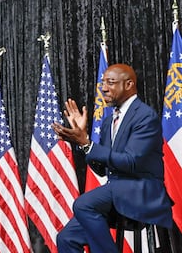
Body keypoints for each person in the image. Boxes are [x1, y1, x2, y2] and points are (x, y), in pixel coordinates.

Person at [52, 63, 172, 253]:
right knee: (66, 238)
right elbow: (102, 168)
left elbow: (131, 162)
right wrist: (85, 141)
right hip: (116, 191)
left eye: (111, 82)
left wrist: (88, 145)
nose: (104, 88)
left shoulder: (145, 116)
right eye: (103, 83)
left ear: (129, 84)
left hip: (143, 190)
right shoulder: (109, 121)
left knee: (83, 204)